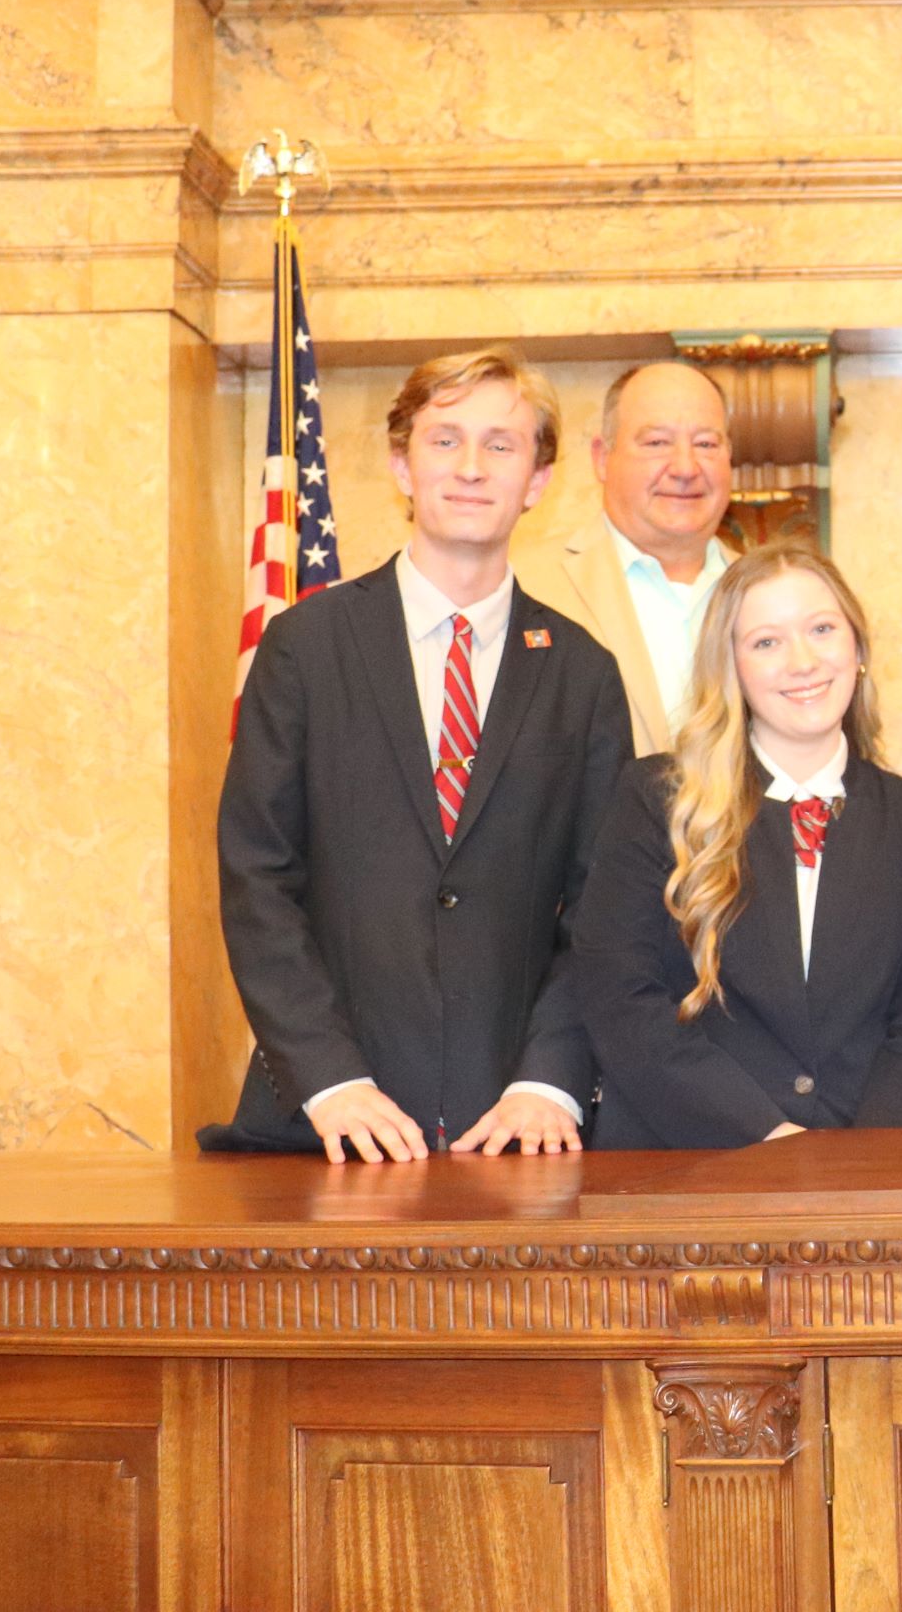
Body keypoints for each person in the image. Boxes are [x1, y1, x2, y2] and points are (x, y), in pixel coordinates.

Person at [211, 349, 632, 1161]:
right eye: (445, 440)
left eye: (501, 445)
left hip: (519, 1130)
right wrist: (330, 1079)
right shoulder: (306, 647)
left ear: (538, 480)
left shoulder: (582, 676)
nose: (471, 467)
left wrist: (548, 1081)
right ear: (402, 465)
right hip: (324, 1124)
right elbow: (257, 879)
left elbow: (605, 911)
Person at [567, 544, 902, 1147]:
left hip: (863, 1170)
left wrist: (868, 1160)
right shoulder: (655, 799)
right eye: (766, 642)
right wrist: (771, 1140)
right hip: (685, 1161)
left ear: (857, 647)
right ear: (730, 667)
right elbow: (621, 996)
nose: (802, 661)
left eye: (822, 629)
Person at [515, 358, 735, 756]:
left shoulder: (776, 593)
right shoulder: (522, 587)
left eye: (706, 444)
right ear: (602, 457)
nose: (685, 467)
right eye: (657, 443)